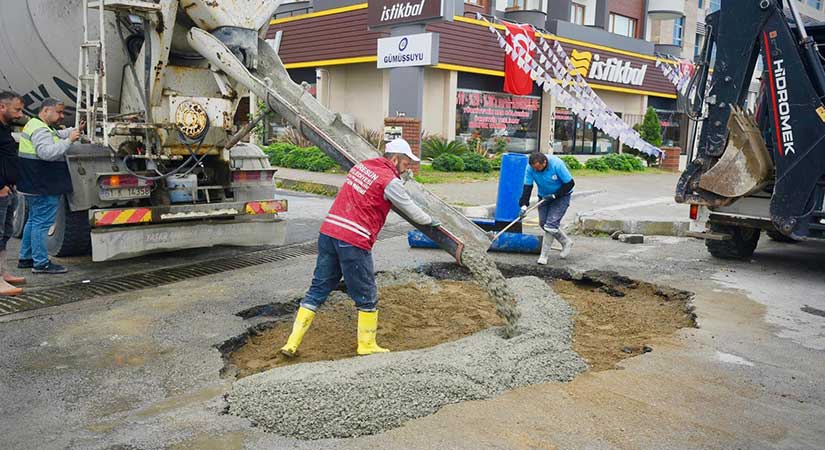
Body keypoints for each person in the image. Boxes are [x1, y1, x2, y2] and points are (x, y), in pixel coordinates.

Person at [280, 138, 438, 357]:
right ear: (394, 158)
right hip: (353, 240)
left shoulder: (362, 167)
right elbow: (412, 211)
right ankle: (366, 345)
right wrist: (431, 221)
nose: (408, 167)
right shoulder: (389, 181)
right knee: (366, 293)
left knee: (318, 289)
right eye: (406, 162)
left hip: (329, 232)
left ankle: (291, 343)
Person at [17, 98, 80, 274]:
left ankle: (26, 258)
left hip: (33, 184)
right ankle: (41, 263)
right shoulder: (40, 130)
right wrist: (69, 141)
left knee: (33, 221)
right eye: (58, 112)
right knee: (41, 223)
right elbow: (47, 153)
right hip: (42, 185)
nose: (61, 116)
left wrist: (72, 132)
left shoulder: (36, 125)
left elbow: (55, 135)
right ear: (46, 111)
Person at [519, 151, 575, 264]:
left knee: (551, 224)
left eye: (538, 168)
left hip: (561, 196)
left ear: (544, 162)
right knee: (543, 223)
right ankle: (566, 241)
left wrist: (555, 195)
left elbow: (570, 183)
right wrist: (524, 206)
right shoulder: (530, 168)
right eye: (534, 168)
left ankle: (544, 256)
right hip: (544, 196)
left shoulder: (557, 164)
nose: (536, 171)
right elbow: (527, 187)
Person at [0, 92, 27, 295]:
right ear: (2, 107)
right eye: (17, 109)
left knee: (5, 234)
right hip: (1, 190)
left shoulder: (4, 128)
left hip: (8, 189)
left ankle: (3, 273)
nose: (20, 114)